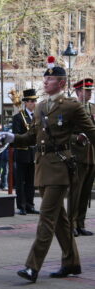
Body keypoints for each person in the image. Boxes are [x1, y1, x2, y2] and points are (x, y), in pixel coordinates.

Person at [0, 57, 95, 283]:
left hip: (61, 168)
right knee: (60, 219)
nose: (45, 81)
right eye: (45, 77)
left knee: (46, 218)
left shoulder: (72, 106)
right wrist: (12, 137)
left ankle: (32, 267)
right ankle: (71, 262)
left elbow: (92, 131)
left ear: (61, 83)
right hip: (43, 166)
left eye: (50, 78)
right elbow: (32, 137)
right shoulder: (41, 106)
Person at [69, 78, 95, 236]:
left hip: (91, 156)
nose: (90, 93)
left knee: (86, 193)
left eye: (91, 90)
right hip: (78, 155)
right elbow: (65, 133)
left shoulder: (93, 108)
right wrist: (76, 138)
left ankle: (80, 223)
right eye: (86, 90)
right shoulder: (72, 109)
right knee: (75, 192)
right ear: (78, 92)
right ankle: (70, 224)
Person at [12, 89, 39, 215]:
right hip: (22, 152)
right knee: (21, 181)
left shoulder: (38, 117)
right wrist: (27, 136)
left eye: (35, 101)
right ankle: (21, 206)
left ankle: (30, 205)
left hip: (33, 153)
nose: (34, 103)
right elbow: (16, 134)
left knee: (31, 181)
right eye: (32, 101)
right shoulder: (18, 117)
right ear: (26, 102)